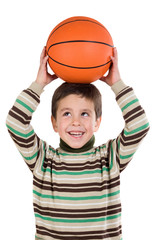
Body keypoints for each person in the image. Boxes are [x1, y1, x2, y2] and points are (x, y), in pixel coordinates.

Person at [6, 47, 149, 240]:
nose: (76, 122)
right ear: (54, 123)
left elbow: (139, 125)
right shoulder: (43, 159)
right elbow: (15, 122)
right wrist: (39, 84)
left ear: (97, 122)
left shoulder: (109, 157)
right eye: (66, 114)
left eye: (84, 114)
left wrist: (117, 84)